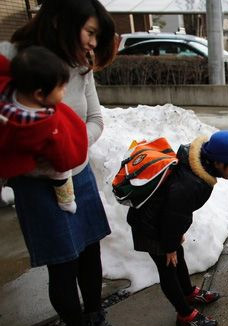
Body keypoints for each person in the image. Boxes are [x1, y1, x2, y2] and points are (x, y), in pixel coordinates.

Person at [2, 0, 117, 325]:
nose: (93, 43)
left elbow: (95, 119)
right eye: (91, 32)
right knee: (63, 263)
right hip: (35, 185)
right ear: (62, 21)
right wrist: (36, 151)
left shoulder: (79, 64)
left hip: (78, 174)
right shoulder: (13, 58)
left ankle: (95, 314)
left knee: (90, 252)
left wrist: (67, 144)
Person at [127, 131, 228, 326]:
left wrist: (175, 238)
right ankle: (185, 315)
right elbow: (174, 215)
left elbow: (176, 213)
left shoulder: (199, 167)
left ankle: (188, 293)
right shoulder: (191, 183)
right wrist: (169, 245)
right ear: (219, 163)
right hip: (150, 226)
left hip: (163, 221)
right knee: (168, 268)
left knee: (177, 257)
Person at [0, 46, 88, 214]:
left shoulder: (6, 94)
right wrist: (66, 161)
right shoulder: (45, 124)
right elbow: (62, 156)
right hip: (40, 164)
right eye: (61, 88)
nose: (65, 91)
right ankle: (67, 200)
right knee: (61, 173)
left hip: (8, 156)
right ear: (39, 94)